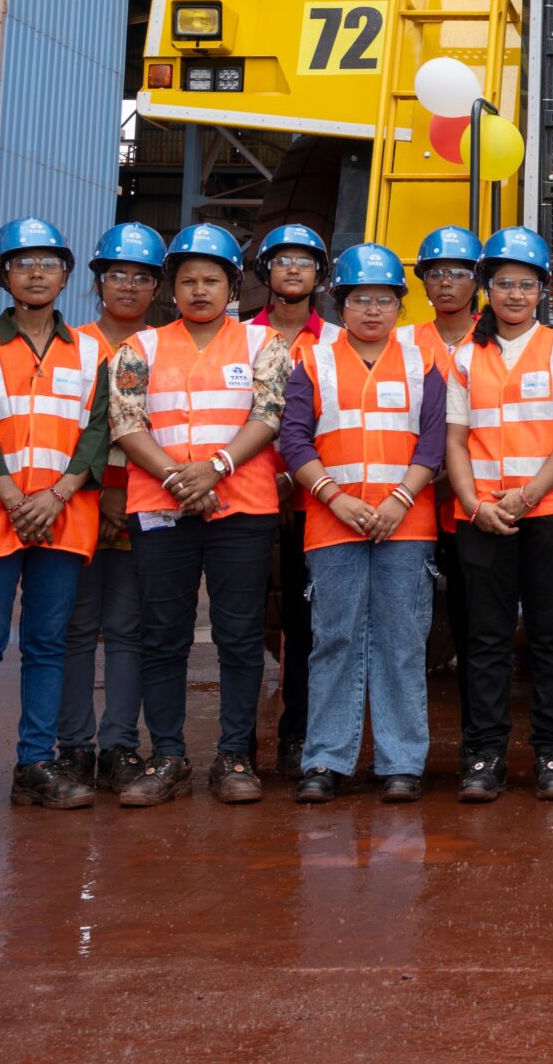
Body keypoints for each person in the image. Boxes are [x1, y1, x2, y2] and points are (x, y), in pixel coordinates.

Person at [108, 223, 291, 808]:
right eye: (187, 280)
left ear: (233, 285)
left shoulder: (264, 346)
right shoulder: (140, 349)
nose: (199, 290)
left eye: (212, 279)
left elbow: (268, 417)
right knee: (163, 638)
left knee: (239, 636)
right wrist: (175, 479)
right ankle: (168, 756)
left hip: (243, 508)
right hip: (162, 508)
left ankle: (235, 755)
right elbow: (127, 423)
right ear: (172, 288)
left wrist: (214, 468)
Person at [0, 220, 107, 820]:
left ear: (66, 276)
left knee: (46, 643)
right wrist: (15, 498)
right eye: (23, 262)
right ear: (2, 274)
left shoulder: (93, 350)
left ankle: (37, 763)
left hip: (63, 512)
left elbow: (100, 428)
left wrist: (56, 495)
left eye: (49, 263)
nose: (36, 272)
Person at [280, 244, 449, 803]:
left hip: (408, 523)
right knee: (333, 640)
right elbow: (294, 439)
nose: (372, 310)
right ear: (340, 304)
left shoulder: (422, 362)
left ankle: (402, 762)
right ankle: (326, 761)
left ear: (400, 306)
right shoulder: (312, 360)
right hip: (333, 525)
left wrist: (400, 498)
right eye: (359, 299)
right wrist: (335, 498)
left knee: (403, 642)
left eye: (383, 299)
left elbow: (433, 439)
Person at [444, 227, 553, 802]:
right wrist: (474, 504)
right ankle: (485, 755)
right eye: (503, 283)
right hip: (482, 517)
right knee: (485, 638)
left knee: (552, 634)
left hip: (552, 512)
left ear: (543, 290)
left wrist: (527, 496)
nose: (513, 294)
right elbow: (455, 441)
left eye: (525, 284)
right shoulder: (465, 356)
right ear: (487, 288)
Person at [61, 223, 164, 793]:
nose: (128, 285)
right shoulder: (71, 346)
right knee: (76, 629)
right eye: (117, 274)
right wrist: (97, 492)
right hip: (76, 503)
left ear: (156, 287)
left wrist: (124, 493)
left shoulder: (159, 348)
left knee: (128, 628)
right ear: (99, 281)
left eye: (142, 277)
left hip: (140, 505)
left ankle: (120, 742)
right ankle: (74, 744)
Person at [248, 222, 333, 776]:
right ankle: (238, 746)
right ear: (266, 273)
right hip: (248, 499)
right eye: (283, 261)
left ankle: (298, 735)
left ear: (321, 275)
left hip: (314, 506)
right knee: (249, 624)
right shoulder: (239, 337)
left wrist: (298, 479)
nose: (294, 270)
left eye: (305, 261)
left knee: (308, 628)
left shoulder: (337, 340)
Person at [412, 225, 484, 723]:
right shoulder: (403, 342)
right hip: (412, 504)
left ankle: (473, 730)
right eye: (435, 273)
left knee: (471, 619)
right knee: (408, 623)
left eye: (458, 272)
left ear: (476, 279)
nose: (445, 282)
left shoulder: (500, 337)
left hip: (472, 504)